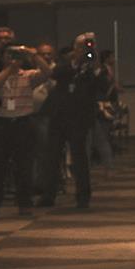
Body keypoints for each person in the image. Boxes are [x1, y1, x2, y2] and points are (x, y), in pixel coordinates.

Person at [38, 33, 112, 211]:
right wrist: (75, 61)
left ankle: (83, 197)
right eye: (79, 47)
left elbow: (104, 87)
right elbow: (55, 74)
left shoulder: (95, 67)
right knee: (52, 157)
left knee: (80, 159)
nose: (83, 50)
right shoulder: (65, 63)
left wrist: (95, 65)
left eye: (86, 47)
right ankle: (48, 195)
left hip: (80, 119)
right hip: (58, 117)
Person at [0, 46, 47, 214]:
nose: (12, 59)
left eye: (15, 56)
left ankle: (25, 203)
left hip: (23, 123)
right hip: (1, 124)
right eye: (9, 55)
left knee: (24, 166)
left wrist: (33, 54)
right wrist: (9, 70)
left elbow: (47, 72)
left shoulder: (29, 75)